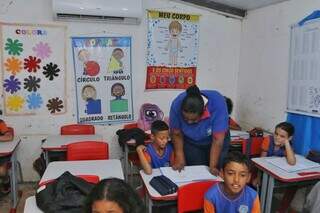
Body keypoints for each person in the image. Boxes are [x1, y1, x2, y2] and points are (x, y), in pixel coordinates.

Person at [169, 85, 230, 175]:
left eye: (194, 120)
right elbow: (176, 134)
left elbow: (217, 140)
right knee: (197, 172)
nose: (189, 122)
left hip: (217, 142)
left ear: (203, 112)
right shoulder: (176, 105)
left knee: (216, 172)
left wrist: (213, 167)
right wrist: (180, 160)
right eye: (185, 119)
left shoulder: (217, 103)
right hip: (191, 143)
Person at [258, 122, 296, 213]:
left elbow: (292, 162)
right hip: (265, 173)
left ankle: (281, 210)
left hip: (278, 174)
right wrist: (258, 177)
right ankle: (262, 207)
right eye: (276, 133)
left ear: (289, 138)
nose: (277, 137)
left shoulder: (288, 146)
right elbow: (261, 162)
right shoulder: (268, 140)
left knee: (293, 186)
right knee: (264, 189)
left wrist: (286, 143)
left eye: (282, 136)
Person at [0, 120, 13, 196]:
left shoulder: (1, 123)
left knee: (1, 171)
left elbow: (9, 137)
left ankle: (6, 181)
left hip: (2, 154)